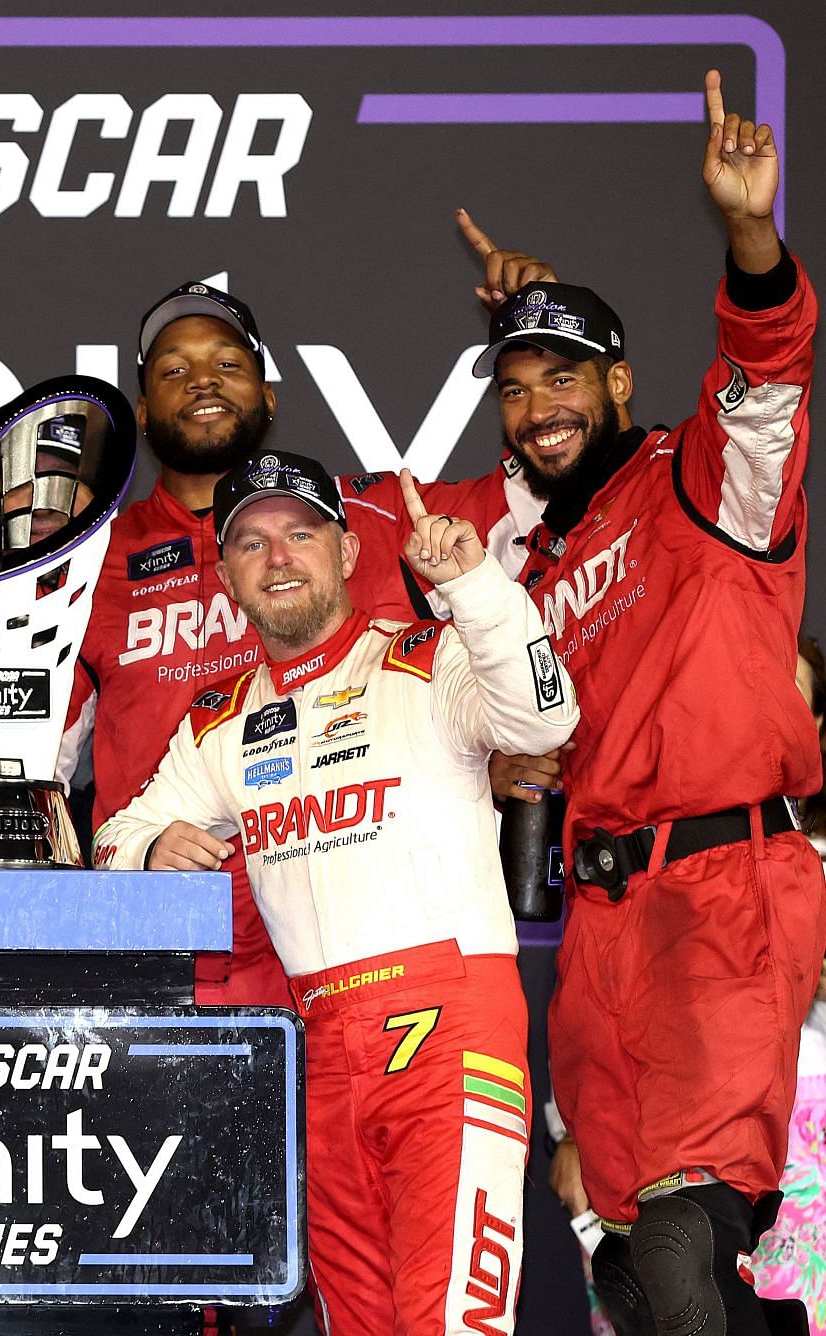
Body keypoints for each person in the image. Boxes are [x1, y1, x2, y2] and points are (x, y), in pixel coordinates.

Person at [450, 73, 826, 1335]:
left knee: (680, 1238)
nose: (540, 406)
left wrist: (749, 235)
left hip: (728, 883)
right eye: (516, 386)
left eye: (566, 377)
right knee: (630, 1266)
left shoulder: (708, 475)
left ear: (620, 385)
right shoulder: (526, 558)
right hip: (602, 923)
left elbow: (769, 361)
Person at [95, 449, 577, 1333]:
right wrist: (154, 843)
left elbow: (543, 718)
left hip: (447, 1025)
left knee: (453, 1321)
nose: (277, 558)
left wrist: (471, 585)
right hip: (314, 1043)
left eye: (300, 534)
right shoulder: (220, 721)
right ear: (228, 573)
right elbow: (114, 833)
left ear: (349, 552)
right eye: (249, 543)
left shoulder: (429, 658)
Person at [62, 280, 413, 1007]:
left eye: (227, 363)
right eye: (173, 369)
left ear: (270, 395)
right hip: (164, 938)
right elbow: (42, 764)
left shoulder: (370, 517)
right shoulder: (89, 561)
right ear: (141, 413)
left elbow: (545, 527)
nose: (201, 382)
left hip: (350, 929)